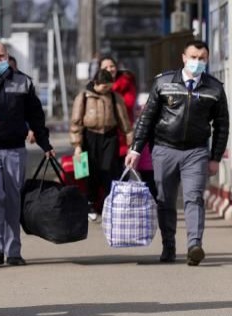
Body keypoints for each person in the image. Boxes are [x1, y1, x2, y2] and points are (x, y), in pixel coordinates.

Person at [125, 40, 229, 266]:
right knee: (166, 201)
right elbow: (147, 119)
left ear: (207, 60)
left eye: (202, 58)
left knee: (194, 198)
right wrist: (135, 149)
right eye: (193, 57)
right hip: (164, 149)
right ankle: (168, 246)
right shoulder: (163, 83)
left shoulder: (214, 88)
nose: (197, 62)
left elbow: (222, 125)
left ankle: (194, 246)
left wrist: (215, 157)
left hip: (196, 152)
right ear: (183, 57)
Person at [0, 41, 55, 269]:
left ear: (8, 57)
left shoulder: (23, 82)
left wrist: (45, 144)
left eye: (2, 55)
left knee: (12, 199)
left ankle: (13, 250)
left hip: (15, 149)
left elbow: (36, 116)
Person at [70, 69, 133, 220]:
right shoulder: (84, 97)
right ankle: (90, 203)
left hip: (109, 136)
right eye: (104, 87)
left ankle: (108, 203)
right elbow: (76, 122)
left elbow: (124, 121)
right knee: (90, 171)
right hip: (90, 136)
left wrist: (131, 142)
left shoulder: (114, 97)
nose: (106, 89)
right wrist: (77, 145)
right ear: (95, 84)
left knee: (108, 170)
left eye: (109, 86)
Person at [99, 56, 137, 163]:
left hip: (121, 135)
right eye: (105, 67)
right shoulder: (95, 87)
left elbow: (128, 104)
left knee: (119, 172)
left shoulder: (126, 83)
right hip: (101, 137)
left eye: (112, 66)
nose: (109, 69)